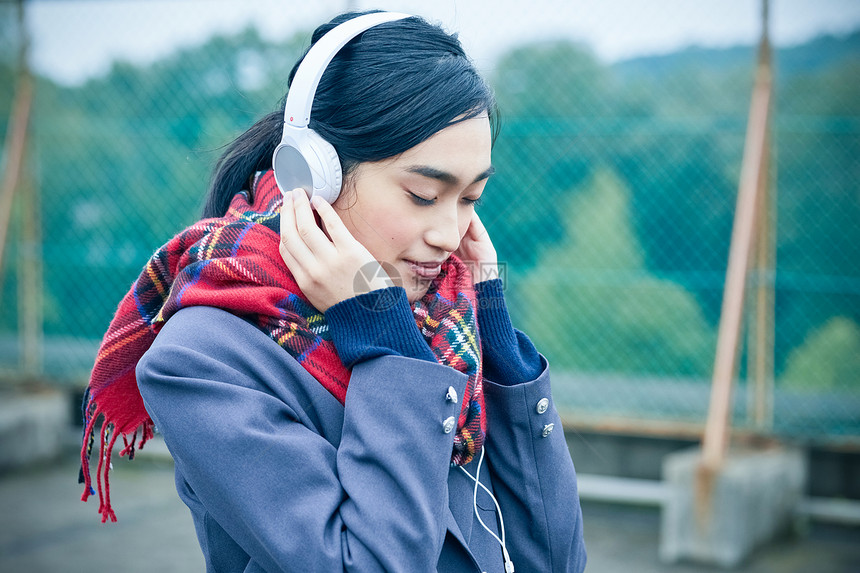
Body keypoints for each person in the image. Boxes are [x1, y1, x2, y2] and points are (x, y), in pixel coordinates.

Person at [79, 10, 586, 573]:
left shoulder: (452, 323)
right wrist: (386, 343)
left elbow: (556, 559)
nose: (449, 236)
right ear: (310, 175)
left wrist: (497, 333)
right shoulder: (204, 360)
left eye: (471, 199)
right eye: (423, 195)